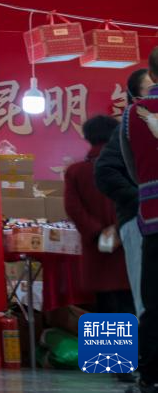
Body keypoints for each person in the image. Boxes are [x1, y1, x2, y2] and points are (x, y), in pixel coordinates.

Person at [95, 67, 155, 316]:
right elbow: (105, 172)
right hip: (139, 222)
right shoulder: (128, 129)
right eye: (152, 88)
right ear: (136, 97)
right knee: (148, 299)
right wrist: (141, 198)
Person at [64, 115, 134, 319]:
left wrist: (98, 233)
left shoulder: (76, 171)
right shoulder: (130, 168)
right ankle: (135, 342)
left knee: (103, 309)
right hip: (127, 246)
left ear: (88, 137)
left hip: (96, 249)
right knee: (131, 306)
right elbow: (138, 202)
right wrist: (119, 230)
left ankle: (105, 342)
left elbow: (73, 208)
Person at [130, 48, 158, 393]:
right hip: (133, 222)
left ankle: (146, 374)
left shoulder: (133, 115)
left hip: (147, 217)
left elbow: (129, 164)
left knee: (151, 301)